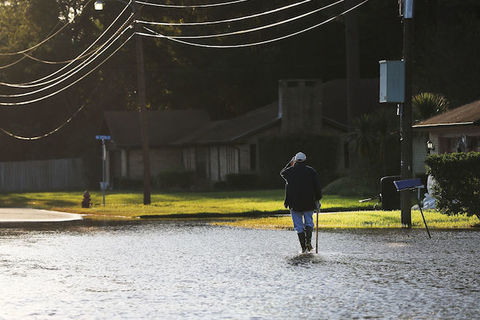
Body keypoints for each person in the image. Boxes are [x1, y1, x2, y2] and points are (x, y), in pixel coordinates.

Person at [280, 152, 322, 253]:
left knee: (298, 226)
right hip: (309, 202)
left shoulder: (290, 171)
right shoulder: (311, 171)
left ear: (295, 160)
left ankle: (303, 248)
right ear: (304, 160)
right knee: (309, 223)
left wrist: (290, 163)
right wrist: (318, 199)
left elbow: (282, 172)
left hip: (294, 203)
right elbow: (317, 187)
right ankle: (308, 242)